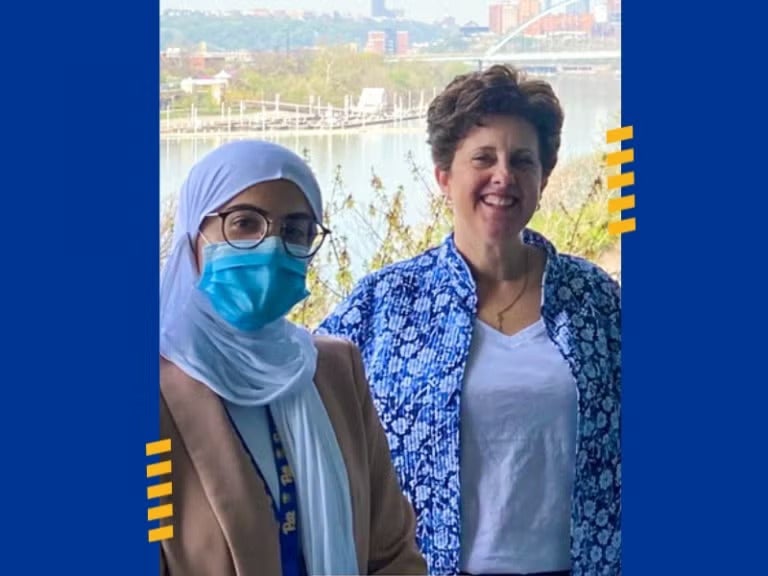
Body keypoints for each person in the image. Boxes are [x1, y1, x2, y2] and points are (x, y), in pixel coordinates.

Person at [317, 65, 621, 576]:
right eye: (483, 158)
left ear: (543, 179)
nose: (504, 175)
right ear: (444, 176)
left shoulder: (595, 303)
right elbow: (300, 410)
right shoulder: (383, 304)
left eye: (522, 160)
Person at [158, 139, 427, 576]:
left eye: (295, 230)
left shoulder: (335, 371)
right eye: (244, 223)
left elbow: (392, 550)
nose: (271, 247)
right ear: (194, 233)